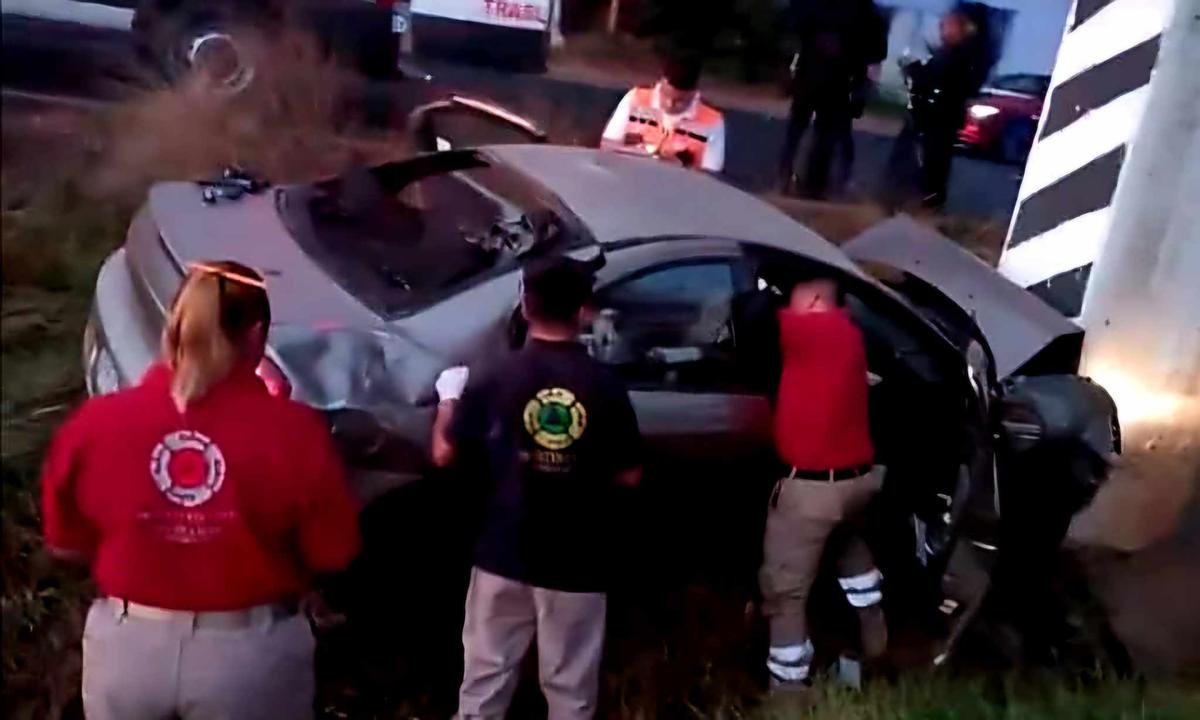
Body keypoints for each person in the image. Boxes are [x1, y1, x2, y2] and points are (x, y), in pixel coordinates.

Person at [41, 260, 360, 720]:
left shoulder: (95, 424)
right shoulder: (295, 432)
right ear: (255, 338)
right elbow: (333, 553)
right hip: (248, 660)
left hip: (128, 652)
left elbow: (65, 544)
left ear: (174, 327)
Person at [431, 255, 643, 720]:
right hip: (576, 562)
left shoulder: (495, 377)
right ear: (584, 311)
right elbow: (630, 474)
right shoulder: (606, 386)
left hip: (502, 555)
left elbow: (445, 454)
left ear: (526, 307)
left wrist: (449, 400)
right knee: (570, 692)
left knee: (484, 682)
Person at [758, 275, 887, 692]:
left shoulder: (812, 329)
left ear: (813, 299)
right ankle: (876, 648)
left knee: (784, 593)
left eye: (791, 295)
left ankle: (788, 696)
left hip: (812, 493)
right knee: (853, 562)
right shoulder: (850, 333)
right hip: (856, 484)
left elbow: (748, 314)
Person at [778, 0, 886, 198]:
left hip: (812, 72)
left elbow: (793, 26)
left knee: (798, 129)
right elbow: (876, 51)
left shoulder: (814, 7)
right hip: (840, 78)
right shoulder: (866, 10)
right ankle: (813, 186)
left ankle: (786, 178)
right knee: (825, 134)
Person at [896, 5, 995, 208]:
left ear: (966, 28)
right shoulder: (952, 53)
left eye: (950, 24)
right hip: (928, 115)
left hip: (939, 117)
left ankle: (925, 204)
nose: (943, 28)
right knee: (917, 160)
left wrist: (918, 74)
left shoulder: (966, 56)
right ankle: (908, 198)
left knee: (932, 162)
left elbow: (949, 82)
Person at [601, 55, 726, 173]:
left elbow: (710, 175)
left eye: (679, 102)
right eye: (665, 96)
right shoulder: (635, 99)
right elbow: (607, 145)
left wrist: (682, 167)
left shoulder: (712, 121)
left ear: (694, 93)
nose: (670, 104)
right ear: (661, 83)